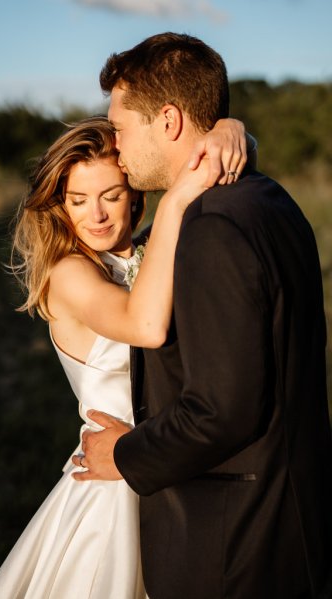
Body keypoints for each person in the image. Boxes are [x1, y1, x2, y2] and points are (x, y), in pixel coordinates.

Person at [75, 33, 332, 599]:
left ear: (168, 121)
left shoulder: (212, 230)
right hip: (288, 517)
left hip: (233, 542)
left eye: (120, 128)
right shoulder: (267, 197)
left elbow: (222, 410)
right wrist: (237, 131)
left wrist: (123, 453)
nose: (115, 146)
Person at [0, 115, 249, 598]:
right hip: (113, 483)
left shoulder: (152, 252)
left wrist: (233, 129)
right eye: (78, 200)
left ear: (135, 195)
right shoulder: (68, 273)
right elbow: (143, 324)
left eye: (111, 195)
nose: (97, 215)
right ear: (59, 206)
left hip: (170, 460)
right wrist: (176, 201)